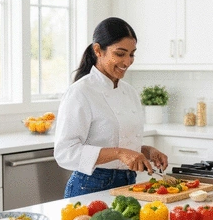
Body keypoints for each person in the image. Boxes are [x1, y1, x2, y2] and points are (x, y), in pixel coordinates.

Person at [54, 17, 168, 197]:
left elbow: (116, 139)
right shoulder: (80, 92)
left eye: (132, 54)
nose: (128, 61)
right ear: (98, 50)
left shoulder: (129, 92)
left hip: (128, 184)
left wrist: (147, 151)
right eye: (120, 54)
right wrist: (119, 153)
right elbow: (65, 152)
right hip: (90, 186)